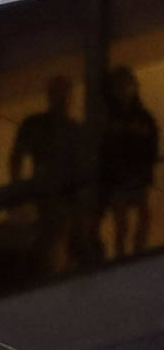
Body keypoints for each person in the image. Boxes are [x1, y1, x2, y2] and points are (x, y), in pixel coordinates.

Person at [8, 75, 87, 276]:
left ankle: (62, 270)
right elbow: (16, 157)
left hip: (67, 197)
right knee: (51, 236)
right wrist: (18, 193)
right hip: (47, 196)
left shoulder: (74, 130)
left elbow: (83, 166)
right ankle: (54, 272)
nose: (62, 99)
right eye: (58, 94)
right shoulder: (36, 124)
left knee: (65, 237)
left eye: (65, 94)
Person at [100, 66, 159, 257]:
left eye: (127, 85)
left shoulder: (143, 118)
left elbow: (152, 145)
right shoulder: (108, 118)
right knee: (122, 221)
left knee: (143, 215)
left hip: (137, 175)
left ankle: (137, 253)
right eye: (120, 86)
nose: (124, 90)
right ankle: (121, 256)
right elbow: (104, 148)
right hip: (117, 177)